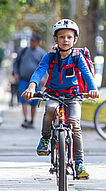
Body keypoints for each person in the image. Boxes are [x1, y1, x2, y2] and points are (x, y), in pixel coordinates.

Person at [21, 19, 99, 179]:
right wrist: (32, 86)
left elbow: (86, 74)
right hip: (53, 94)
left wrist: (92, 88)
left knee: (74, 124)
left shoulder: (77, 57)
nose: (65, 40)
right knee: (50, 109)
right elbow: (39, 70)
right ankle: (45, 139)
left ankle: (79, 163)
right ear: (56, 39)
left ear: (75, 40)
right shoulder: (50, 56)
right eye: (62, 37)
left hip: (73, 96)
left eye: (69, 37)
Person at [12, 34, 46, 128]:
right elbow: (16, 63)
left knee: (34, 101)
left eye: (34, 41)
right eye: (31, 40)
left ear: (38, 42)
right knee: (24, 100)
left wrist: (43, 77)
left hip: (36, 82)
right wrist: (15, 73)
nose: (32, 43)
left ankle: (32, 120)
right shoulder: (23, 51)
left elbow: (44, 67)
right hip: (23, 79)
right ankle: (25, 119)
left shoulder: (41, 53)